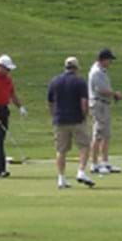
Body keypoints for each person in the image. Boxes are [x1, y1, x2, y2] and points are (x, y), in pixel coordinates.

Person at [46, 55, 95, 189]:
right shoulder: (79, 82)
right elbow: (84, 102)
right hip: (76, 119)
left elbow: (50, 102)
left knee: (61, 150)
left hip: (60, 119)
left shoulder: (54, 81)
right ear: (76, 68)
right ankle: (81, 171)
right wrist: (85, 116)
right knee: (84, 146)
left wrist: (54, 115)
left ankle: (61, 178)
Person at [87, 48, 122, 174]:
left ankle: (105, 162)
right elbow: (100, 90)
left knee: (106, 134)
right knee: (98, 134)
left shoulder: (103, 71)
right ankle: (94, 164)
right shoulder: (96, 72)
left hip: (104, 104)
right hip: (98, 104)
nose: (110, 62)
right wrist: (114, 94)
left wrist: (112, 96)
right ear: (103, 60)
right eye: (109, 60)